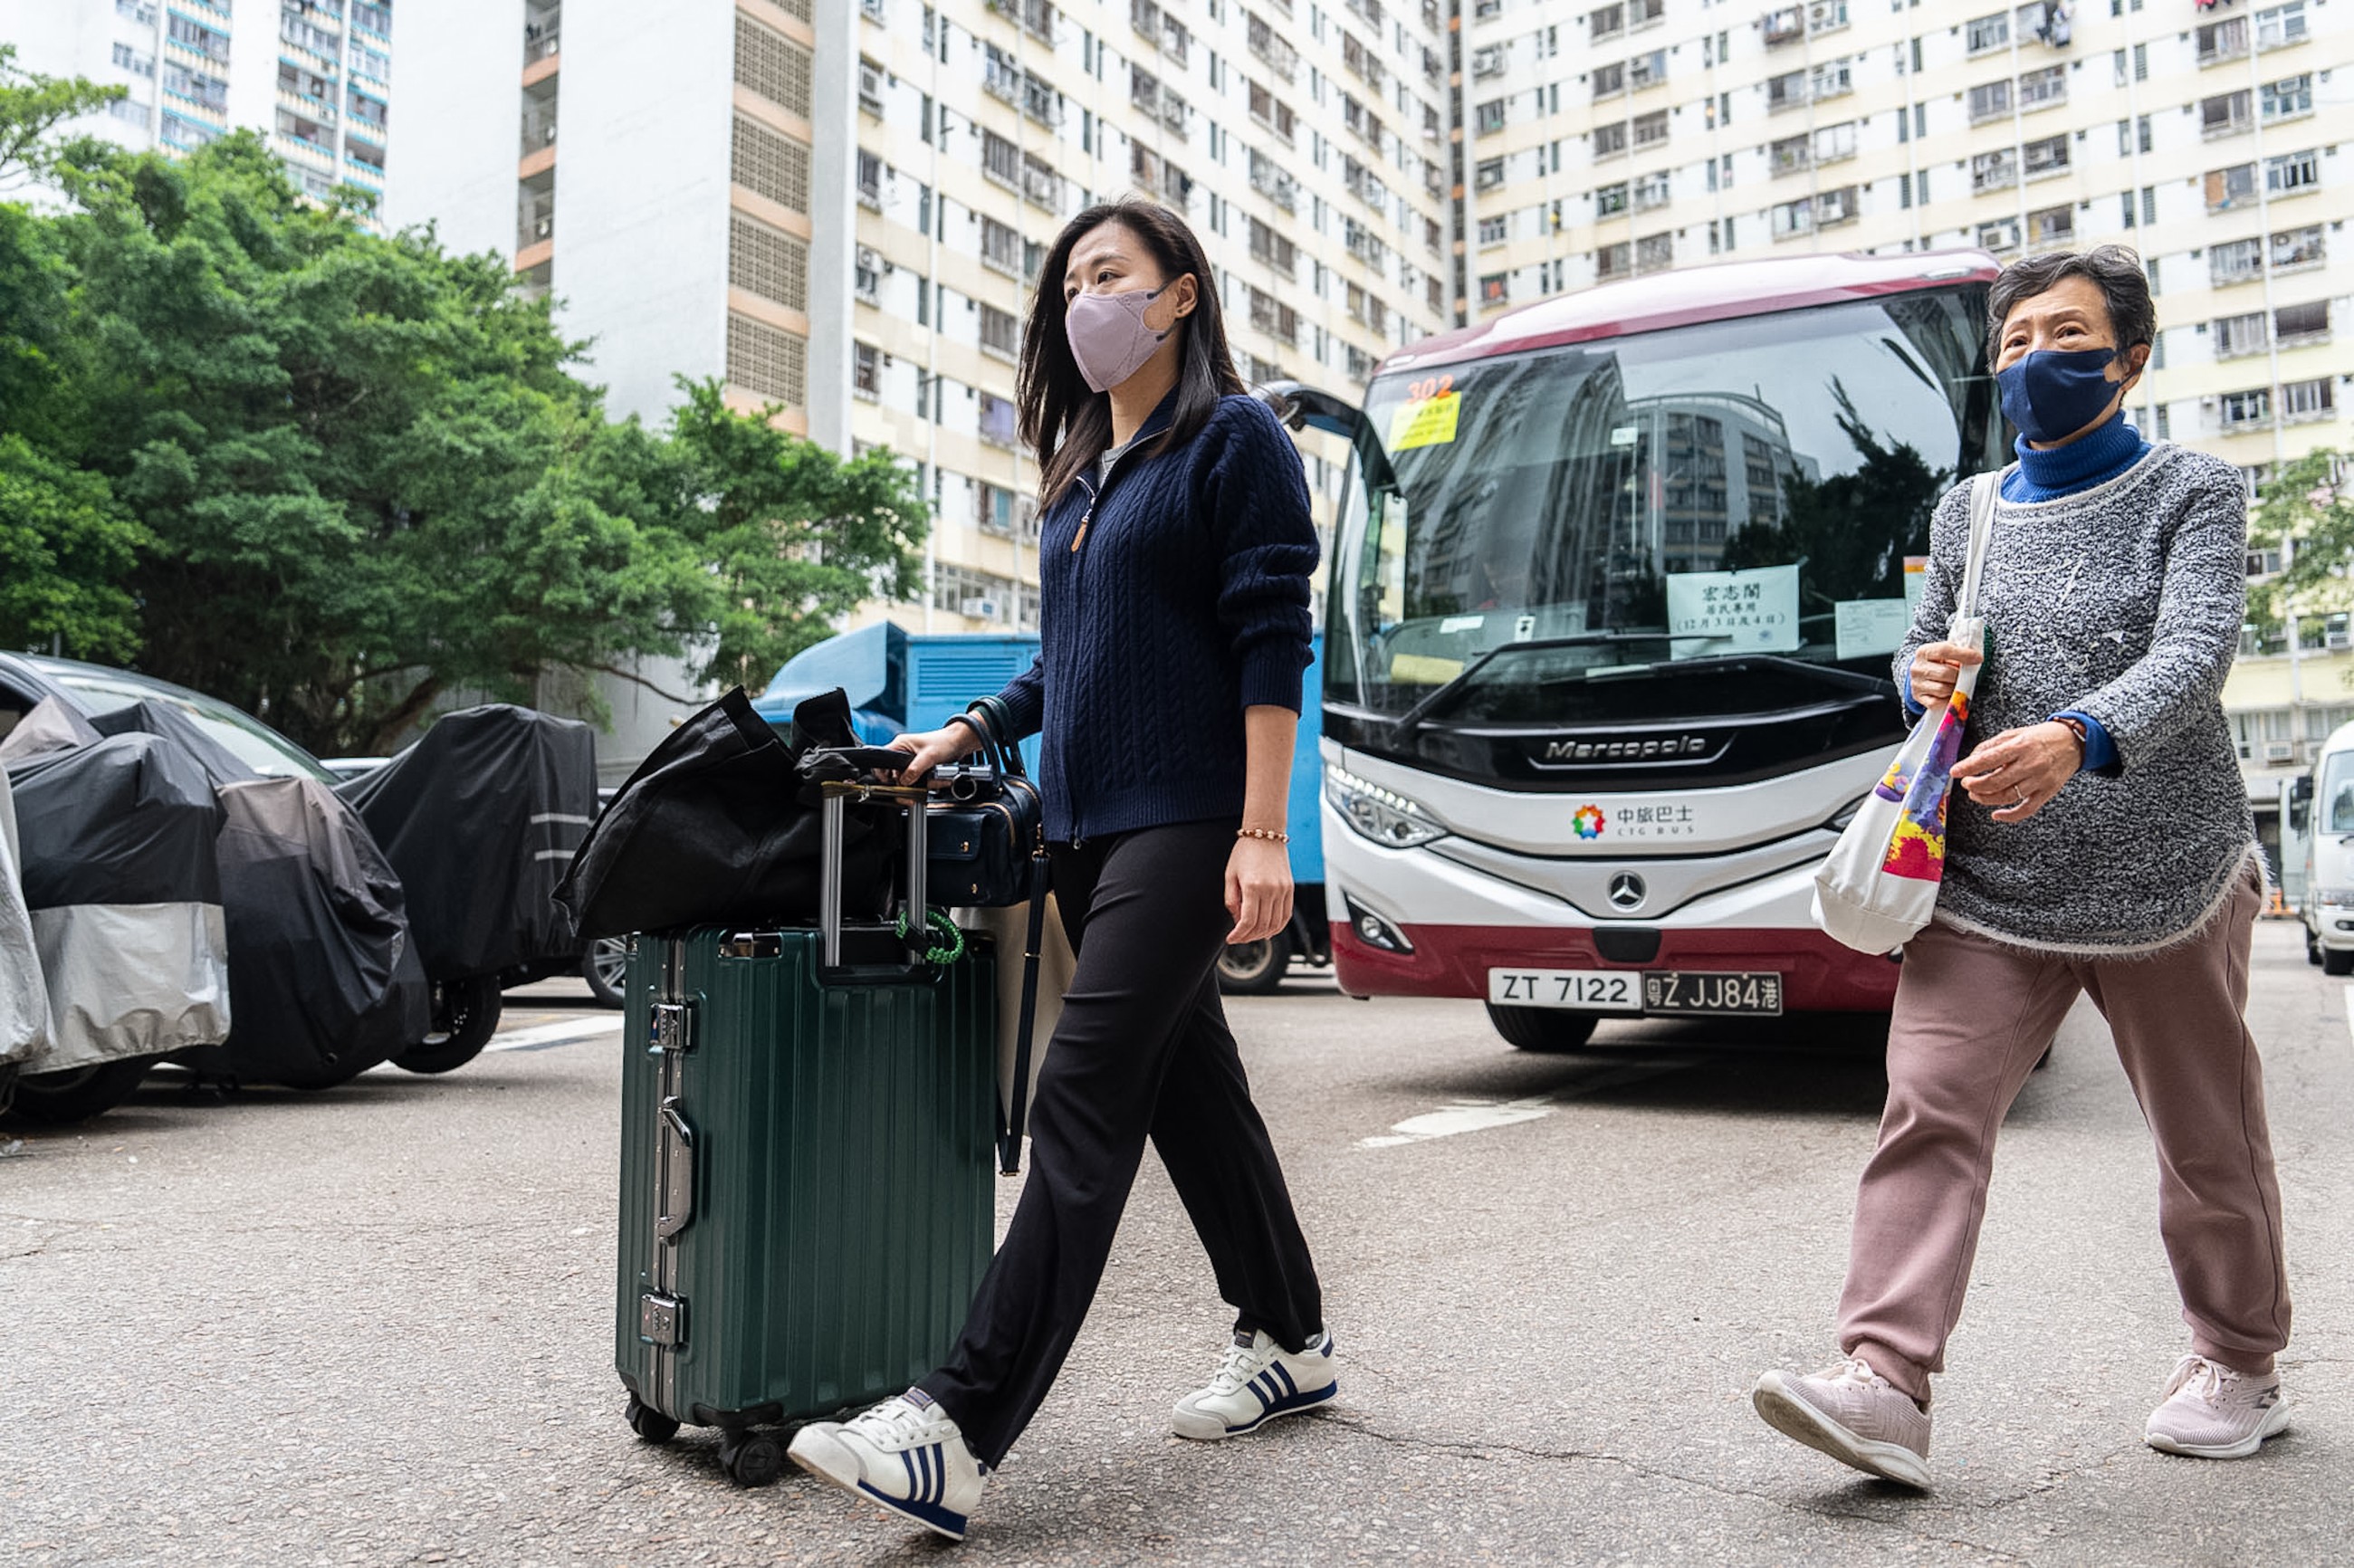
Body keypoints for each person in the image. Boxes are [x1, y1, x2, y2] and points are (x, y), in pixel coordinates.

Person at [785, 200, 1333, 1541]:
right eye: (1071, 279)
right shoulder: (1087, 466)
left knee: (1080, 1100)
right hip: (1082, 829)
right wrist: (971, 728)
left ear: (1181, 296)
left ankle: (956, 1428)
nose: (1085, 298)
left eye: (1112, 274)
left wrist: (1263, 832)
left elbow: (1273, 642)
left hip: (1188, 821)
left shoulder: (1234, 439)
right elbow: (1070, 657)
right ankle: (1294, 1340)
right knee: (1193, 1098)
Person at [1752, 245, 2292, 1488]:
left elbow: (2197, 649)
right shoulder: (1967, 510)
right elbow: (1933, 650)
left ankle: (2236, 1357)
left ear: (2130, 357)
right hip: (1988, 883)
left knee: (2207, 1140)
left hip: (2168, 878)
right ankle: (1883, 1384)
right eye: (2014, 342)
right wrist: (1918, 675)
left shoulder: (2191, 491)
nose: (2034, 360)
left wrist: (2080, 737)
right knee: (1927, 1113)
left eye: (2065, 335)